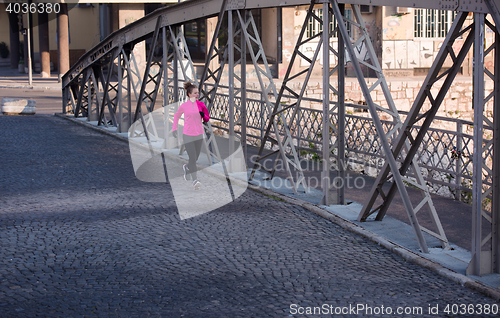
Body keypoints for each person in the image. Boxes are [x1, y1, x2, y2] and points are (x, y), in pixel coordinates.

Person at [172, 81, 210, 190]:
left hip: (199, 135)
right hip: (187, 135)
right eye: (195, 93)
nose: (197, 95)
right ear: (189, 94)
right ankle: (195, 180)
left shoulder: (201, 105)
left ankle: (187, 167)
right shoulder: (184, 106)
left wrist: (203, 116)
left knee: (195, 158)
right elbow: (176, 116)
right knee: (192, 158)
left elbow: (207, 118)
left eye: (198, 93)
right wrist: (174, 129)